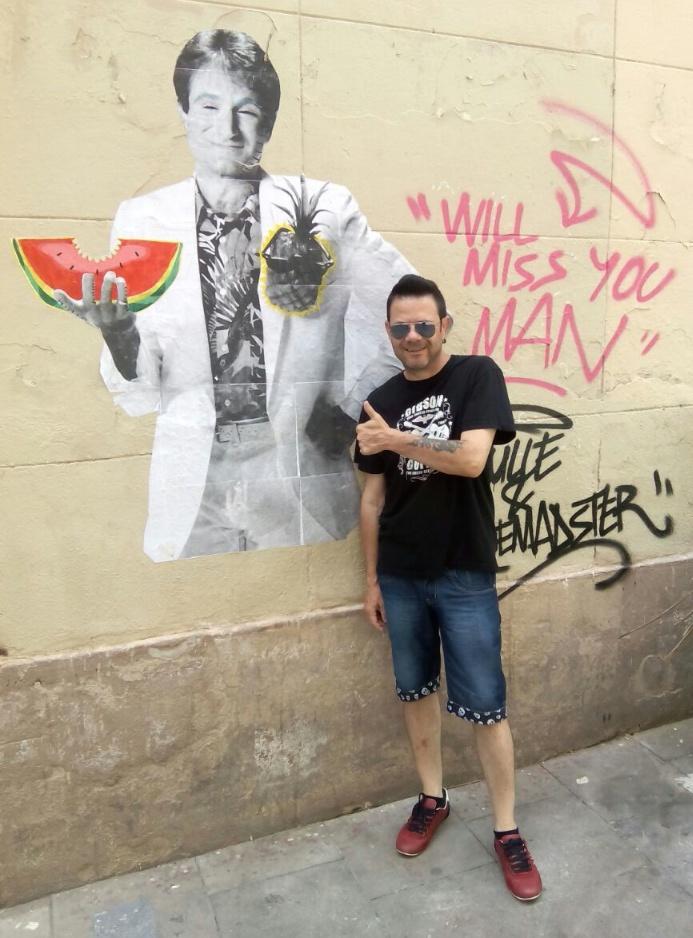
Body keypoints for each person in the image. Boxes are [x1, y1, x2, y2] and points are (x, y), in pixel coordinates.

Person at [54, 29, 413, 562]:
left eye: (246, 110)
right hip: (193, 477)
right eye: (208, 106)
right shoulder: (142, 219)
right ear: (183, 112)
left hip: (296, 467)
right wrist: (119, 332)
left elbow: (409, 307)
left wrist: (351, 409)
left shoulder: (325, 206)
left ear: (268, 120)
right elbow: (141, 396)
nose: (227, 129)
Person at [354, 274, 542, 902]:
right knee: (415, 691)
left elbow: (470, 459)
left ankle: (507, 830)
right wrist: (370, 580)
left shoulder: (476, 375)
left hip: (464, 571)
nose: (412, 336)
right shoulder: (378, 400)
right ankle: (431, 799)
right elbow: (372, 499)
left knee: (486, 703)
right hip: (401, 575)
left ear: (445, 326)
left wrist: (396, 439)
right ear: (389, 332)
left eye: (423, 325)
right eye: (400, 327)